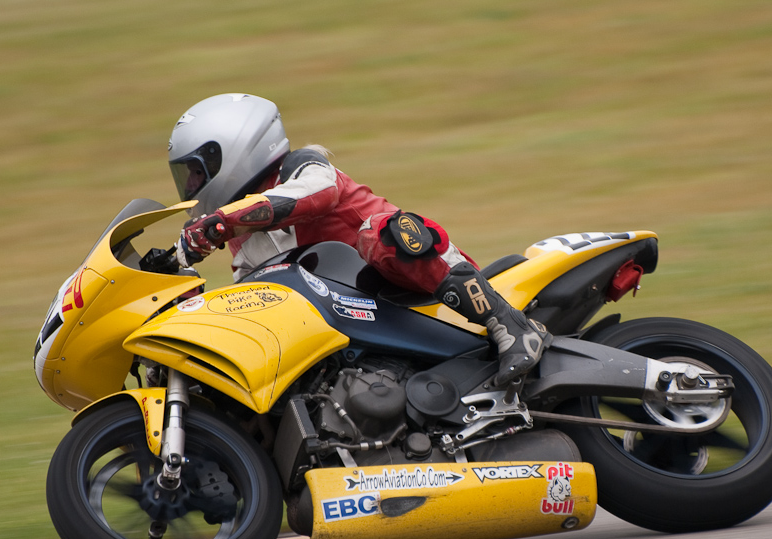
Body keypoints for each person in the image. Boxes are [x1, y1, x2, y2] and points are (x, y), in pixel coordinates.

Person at [169, 93, 550, 386]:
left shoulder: (303, 168)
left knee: (382, 233)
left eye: (196, 172)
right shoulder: (241, 243)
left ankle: (511, 325)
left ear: (233, 150)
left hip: (416, 290)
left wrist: (223, 221)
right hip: (354, 325)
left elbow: (316, 194)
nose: (191, 186)